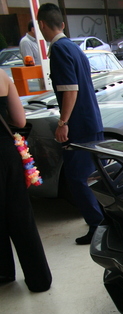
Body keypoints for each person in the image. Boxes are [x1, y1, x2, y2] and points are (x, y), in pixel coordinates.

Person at [37, 3, 104, 245]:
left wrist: (63, 122)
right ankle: (104, 219)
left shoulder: (59, 50)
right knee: (96, 175)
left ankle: (97, 226)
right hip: (92, 120)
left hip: (79, 125)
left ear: (42, 24)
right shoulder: (75, 49)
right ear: (62, 24)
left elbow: (70, 91)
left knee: (78, 178)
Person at [0, 69, 52, 292]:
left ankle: (3, 272)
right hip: (5, 154)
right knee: (21, 216)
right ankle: (39, 279)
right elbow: (20, 120)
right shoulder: (2, 76)